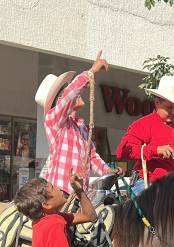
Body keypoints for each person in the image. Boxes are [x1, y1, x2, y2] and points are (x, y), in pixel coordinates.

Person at [35, 50, 117, 196]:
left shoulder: (81, 128)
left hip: (79, 194)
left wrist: (107, 171)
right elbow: (69, 95)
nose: (78, 93)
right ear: (60, 98)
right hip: (60, 192)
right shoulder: (53, 119)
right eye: (66, 90)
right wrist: (91, 72)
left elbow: (91, 157)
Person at [116, 75, 174, 194]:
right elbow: (123, 151)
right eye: (169, 107)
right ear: (157, 102)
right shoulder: (142, 124)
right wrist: (156, 150)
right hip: (147, 184)